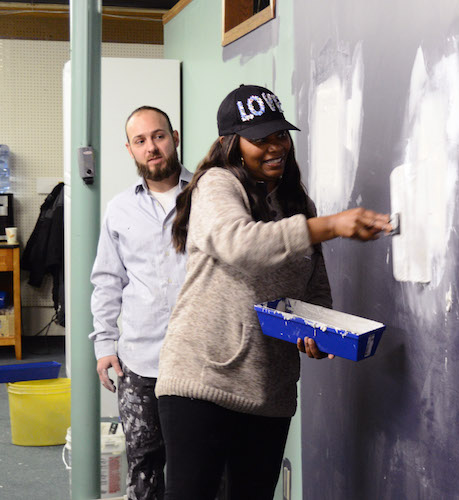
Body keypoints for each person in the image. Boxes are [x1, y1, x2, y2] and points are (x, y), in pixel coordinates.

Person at [155, 84, 391, 500]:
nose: (274, 147)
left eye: (280, 135)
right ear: (232, 144)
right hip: (201, 378)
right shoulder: (216, 184)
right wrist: (331, 226)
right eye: (259, 139)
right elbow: (240, 243)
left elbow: (313, 286)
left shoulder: (297, 202)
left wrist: (318, 332)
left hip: (269, 389)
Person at [90, 106, 192, 500]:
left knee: (202, 472)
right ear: (130, 150)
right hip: (139, 363)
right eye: (141, 141)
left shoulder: (209, 194)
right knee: (144, 470)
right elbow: (107, 280)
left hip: (199, 364)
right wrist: (104, 345)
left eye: (159, 136)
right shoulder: (119, 209)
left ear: (175, 137)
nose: (152, 147)